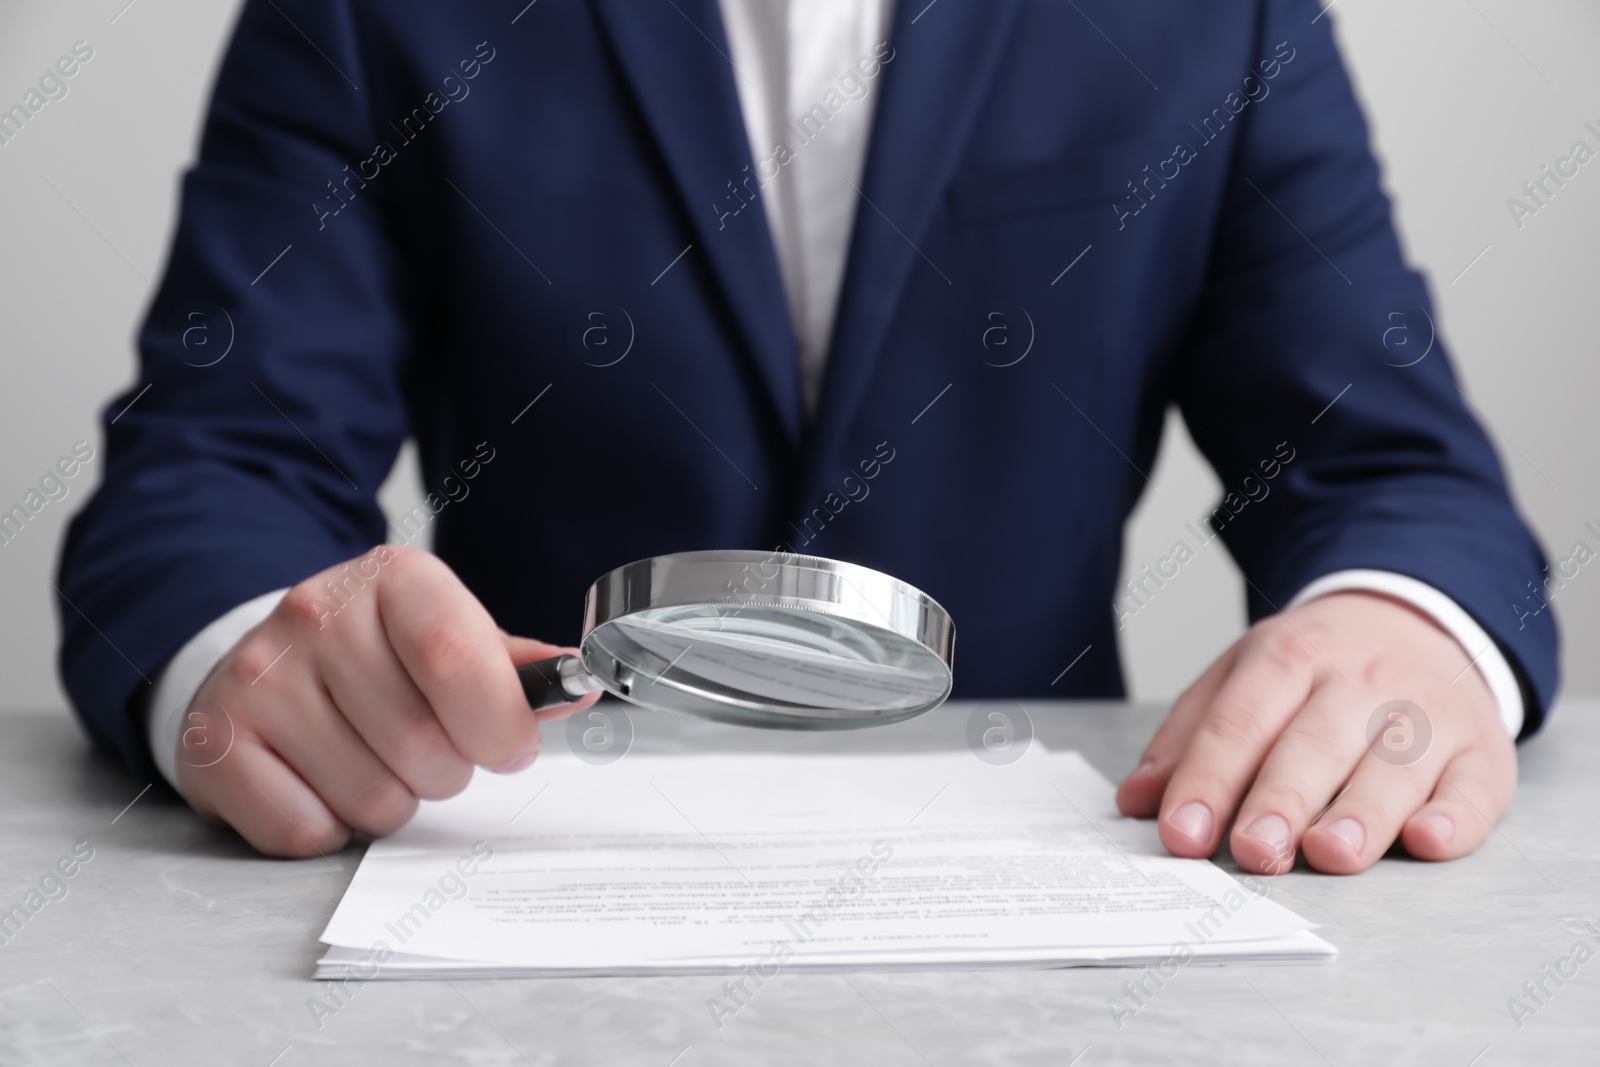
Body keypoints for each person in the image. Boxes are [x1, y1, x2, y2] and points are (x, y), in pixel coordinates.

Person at [57, 0, 1556, 875]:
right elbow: (212, 460)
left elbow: (1390, 463)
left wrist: (1401, 624)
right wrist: (249, 652)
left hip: (1059, 894)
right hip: (515, 877)